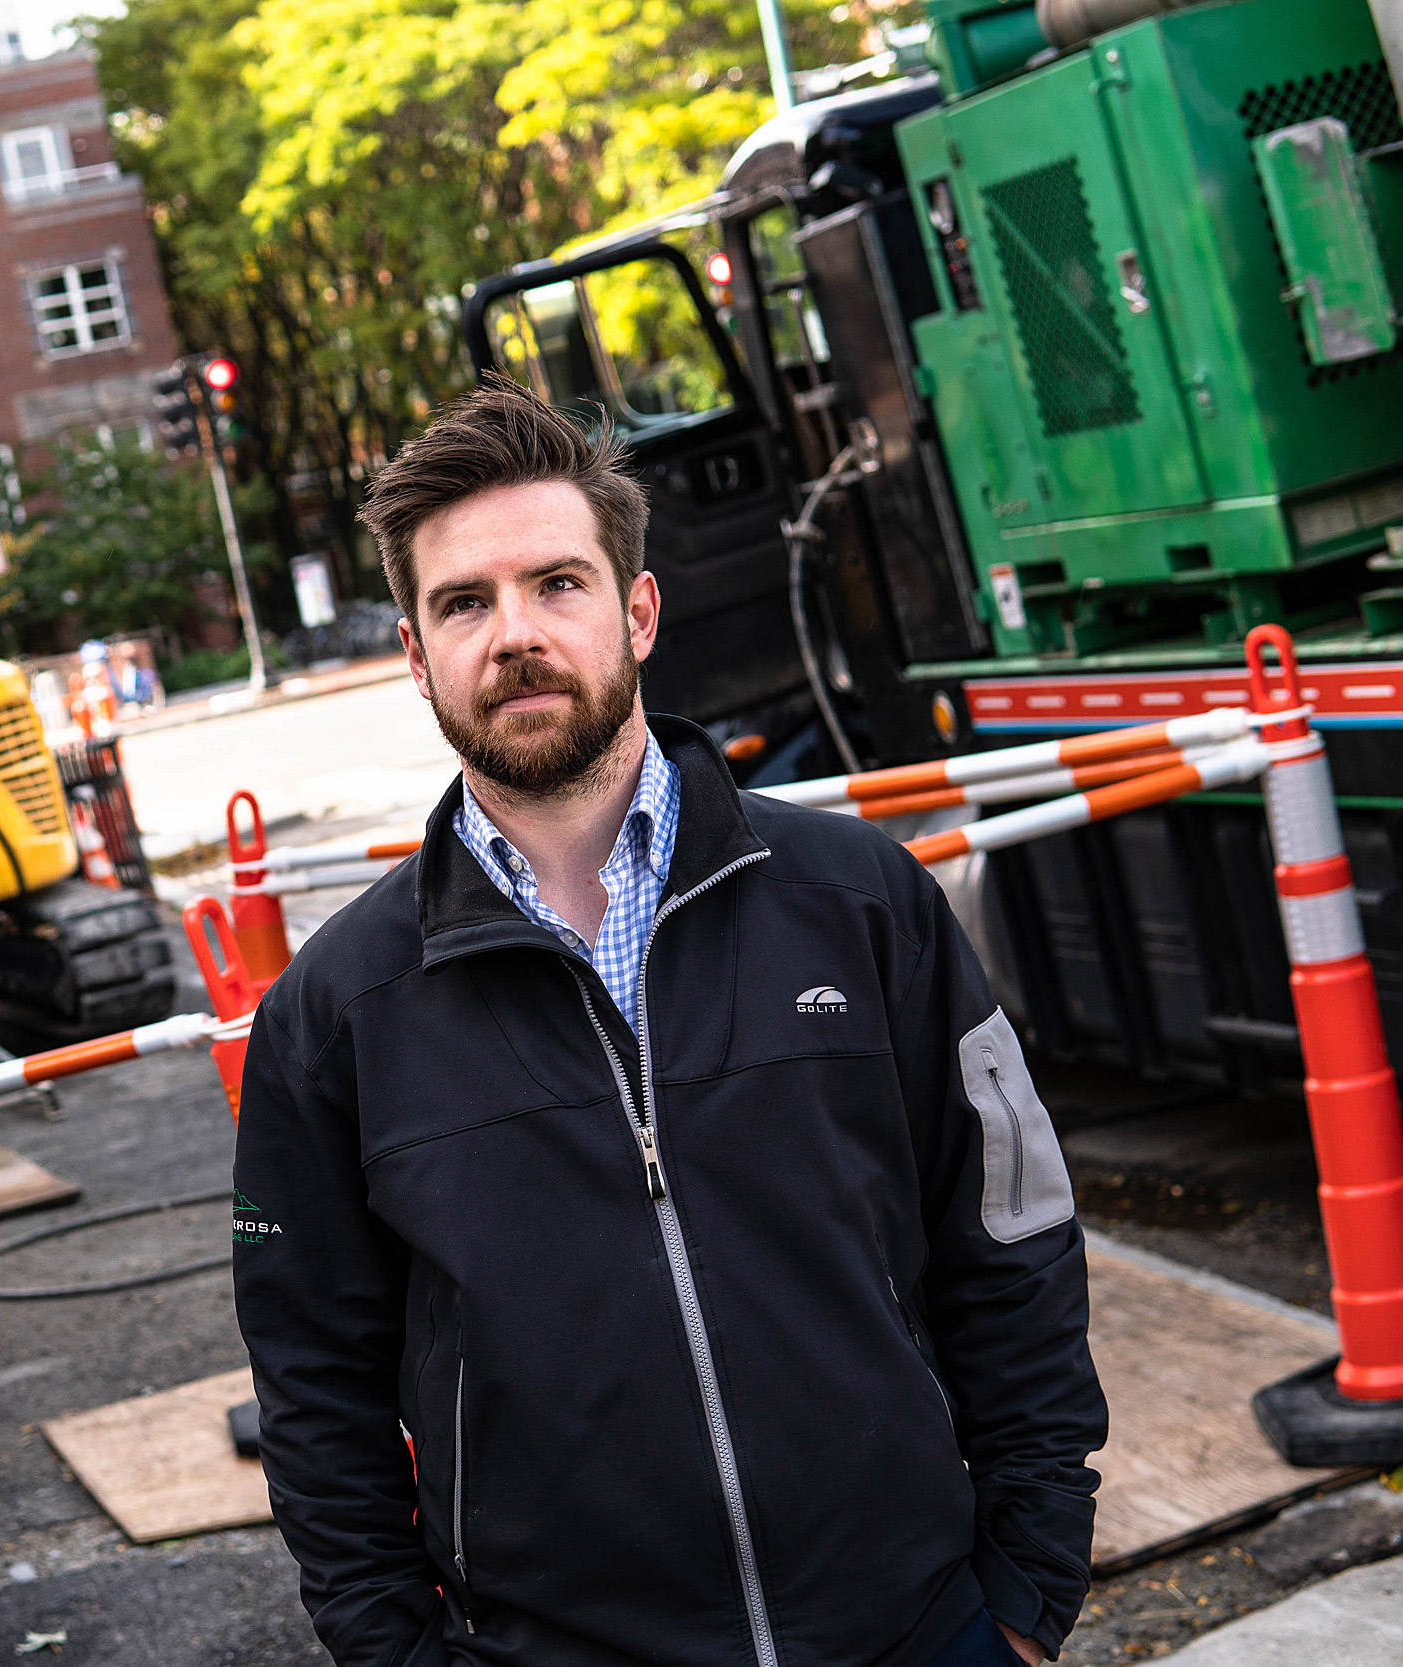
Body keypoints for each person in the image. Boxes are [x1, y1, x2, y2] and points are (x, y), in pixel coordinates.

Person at [231, 380, 1105, 1667]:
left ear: (638, 610)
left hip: (920, 1627)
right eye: (463, 602)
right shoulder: (334, 1013)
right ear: (415, 656)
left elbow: (1011, 1236)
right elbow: (314, 1387)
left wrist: (1027, 1582)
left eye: (557, 584)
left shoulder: (862, 907)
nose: (513, 633)